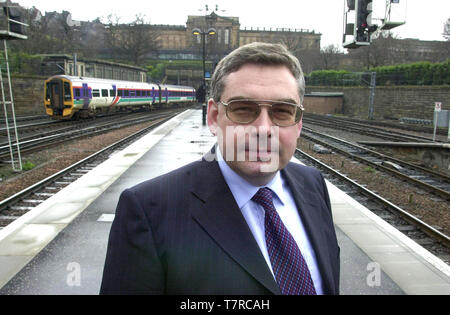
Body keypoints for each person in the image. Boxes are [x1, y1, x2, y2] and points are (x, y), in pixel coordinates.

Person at [100, 42, 340, 295]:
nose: (263, 129)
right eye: (243, 110)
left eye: (283, 111)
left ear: (298, 124)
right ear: (214, 117)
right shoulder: (149, 210)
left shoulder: (313, 184)